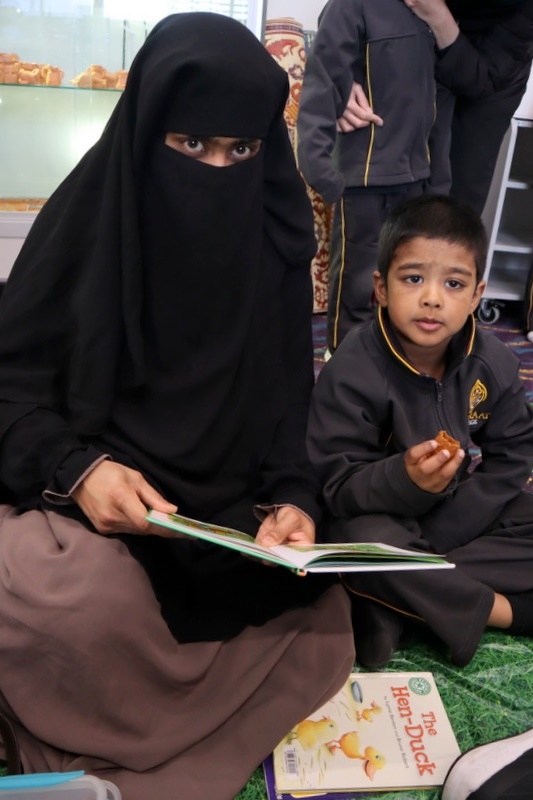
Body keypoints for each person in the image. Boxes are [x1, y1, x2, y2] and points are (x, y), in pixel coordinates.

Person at [0, 13, 355, 800]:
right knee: (67, 599)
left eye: (242, 151)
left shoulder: (270, 245)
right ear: (149, 128)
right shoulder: (90, 225)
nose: (217, 170)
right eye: (191, 146)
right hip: (87, 515)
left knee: (324, 620)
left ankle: (102, 724)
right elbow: (8, 390)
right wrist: (79, 469)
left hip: (218, 518)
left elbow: (284, 415)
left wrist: (292, 502)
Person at [307, 193, 533, 670]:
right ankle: (502, 610)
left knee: (520, 514)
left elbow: (513, 457)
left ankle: (399, 604)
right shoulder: (353, 367)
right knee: (359, 549)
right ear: (381, 288)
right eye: (413, 279)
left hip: (455, 509)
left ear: (477, 296)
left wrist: (444, 531)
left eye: (454, 283)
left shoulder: (490, 362)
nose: (432, 297)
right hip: (375, 514)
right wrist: (405, 482)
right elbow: (335, 486)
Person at [296, 0, 436, 353]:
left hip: (416, 176)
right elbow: (323, 80)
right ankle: (341, 362)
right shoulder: (351, 5)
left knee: (405, 277)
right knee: (356, 283)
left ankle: (388, 360)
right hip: (366, 177)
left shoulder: (428, 11)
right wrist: (319, 168)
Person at [405, 0, 533, 214]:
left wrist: (437, 15)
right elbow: (354, 14)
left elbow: (484, 79)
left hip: (491, 83)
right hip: (416, 42)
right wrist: (344, 75)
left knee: (452, 211)